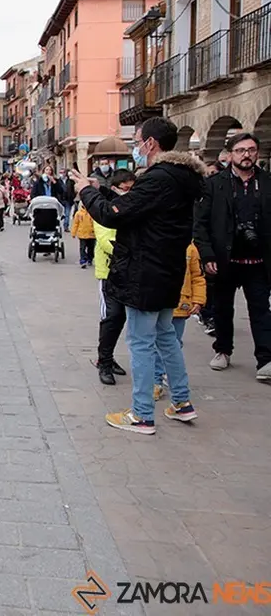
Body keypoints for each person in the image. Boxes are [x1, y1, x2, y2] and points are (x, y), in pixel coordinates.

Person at [71, 117, 204, 435]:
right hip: (167, 269)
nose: (136, 147)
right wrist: (100, 189)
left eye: (138, 141)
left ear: (151, 143)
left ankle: (142, 415)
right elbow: (134, 206)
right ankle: (182, 402)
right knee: (166, 336)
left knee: (141, 342)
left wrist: (85, 193)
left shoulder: (158, 178)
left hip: (146, 272)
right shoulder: (181, 177)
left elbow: (111, 215)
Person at [193, 132, 271, 381]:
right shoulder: (214, 184)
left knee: (261, 310)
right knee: (222, 309)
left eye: (251, 150)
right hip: (224, 259)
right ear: (229, 155)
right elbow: (200, 223)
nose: (246, 155)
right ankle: (223, 350)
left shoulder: (267, 182)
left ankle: (266, 359)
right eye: (240, 150)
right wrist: (207, 255)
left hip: (258, 261)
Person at [93, 168, 137, 385]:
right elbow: (105, 240)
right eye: (125, 189)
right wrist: (131, 250)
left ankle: (108, 357)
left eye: (132, 189)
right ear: (114, 189)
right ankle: (104, 361)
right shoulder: (105, 209)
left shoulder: (135, 208)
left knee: (123, 318)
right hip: (109, 272)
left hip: (131, 272)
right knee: (111, 317)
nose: (129, 193)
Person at [153, 243, 206, 401]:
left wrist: (198, 300)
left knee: (174, 343)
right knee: (156, 345)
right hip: (159, 304)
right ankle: (156, 381)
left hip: (181, 306)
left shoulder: (191, 249)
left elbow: (197, 277)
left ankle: (169, 376)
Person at [71, 203, 95, 268]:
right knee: (82, 248)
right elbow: (75, 224)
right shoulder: (78, 213)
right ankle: (83, 260)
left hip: (91, 234)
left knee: (91, 248)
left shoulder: (93, 213)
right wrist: (73, 233)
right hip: (82, 234)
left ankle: (90, 258)